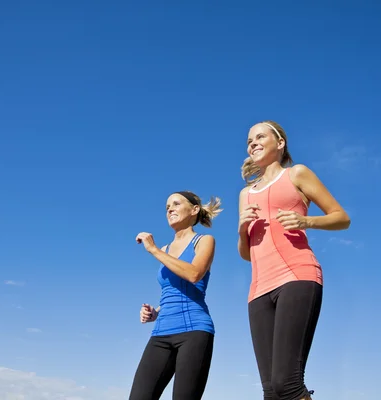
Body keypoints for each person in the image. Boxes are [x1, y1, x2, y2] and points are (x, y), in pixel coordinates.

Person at [237, 120, 351, 400]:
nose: (253, 142)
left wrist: (305, 221)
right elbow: (246, 254)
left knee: (287, 383)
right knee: (271, 391)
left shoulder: (297, 174)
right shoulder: (245, 193)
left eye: (260, 136)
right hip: (258, 290)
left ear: (280, 143)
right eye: (249, 140)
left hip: (297, 276)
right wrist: (242, 231)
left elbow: (342, 217)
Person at [128, 191, 222, 400]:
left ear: (194, 209)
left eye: (176, 204)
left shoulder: (204, 241)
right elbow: (173, 290)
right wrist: (155, 312)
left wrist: (153, 250)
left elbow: (194, 274)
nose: (170, 209)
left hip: (194, 331)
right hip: (161, 332)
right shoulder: (165, 249)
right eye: (167, 207)